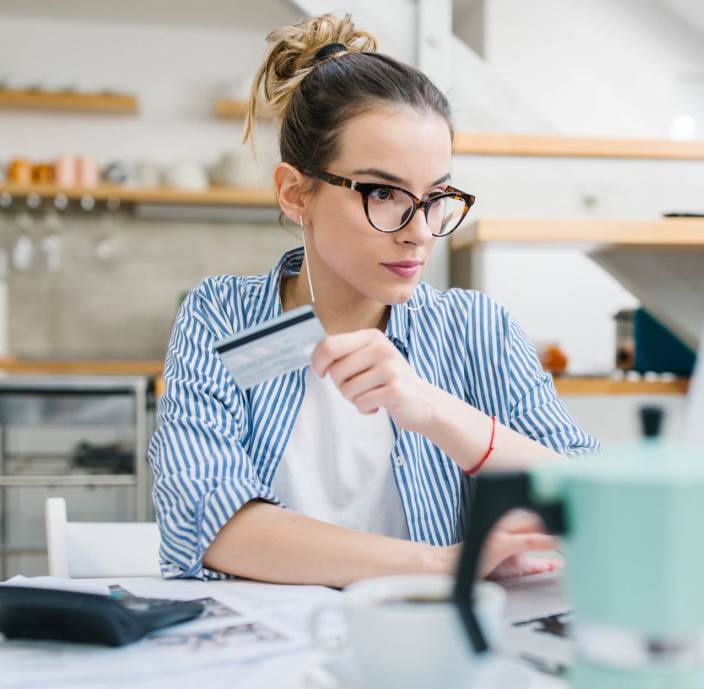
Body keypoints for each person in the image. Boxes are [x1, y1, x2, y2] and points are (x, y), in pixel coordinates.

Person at [148, 13, 598, 586]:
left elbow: (598, 501)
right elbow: (208, 520)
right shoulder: (222, 316)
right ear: (295, 193)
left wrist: (434, 411)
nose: (420, 230)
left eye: (436, 197)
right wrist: (442, 563)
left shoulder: (475, 329)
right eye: (383, 193)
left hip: (426, 653)